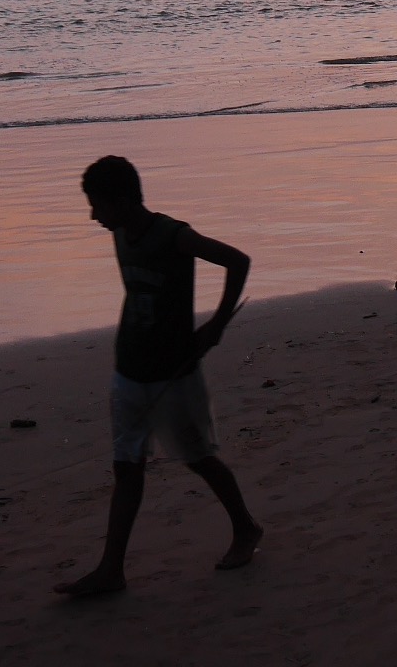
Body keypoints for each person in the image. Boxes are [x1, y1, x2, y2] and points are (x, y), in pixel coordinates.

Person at [56, 155, 263, 598]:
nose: (93, 216)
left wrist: (217, 324)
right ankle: (111, 569)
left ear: (122, 200)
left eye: (97, 205)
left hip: (173, 374)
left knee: (198, 457)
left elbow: (237, 261)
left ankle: (246, 528)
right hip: (128, 370)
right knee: (126, 467)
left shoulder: (173, 235)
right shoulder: (121, 234)